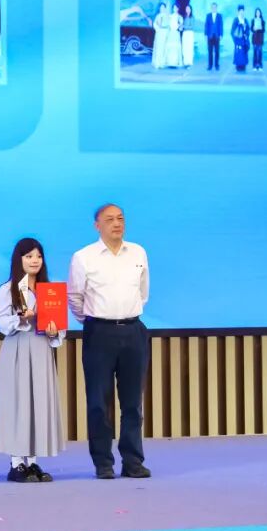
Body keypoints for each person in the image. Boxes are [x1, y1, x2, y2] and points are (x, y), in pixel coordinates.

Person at [67, 204, 151, 480]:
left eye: (120, 219)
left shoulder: (138, 252)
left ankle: (133, 461)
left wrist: (126, 314)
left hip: (133, 331)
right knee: (98, 402)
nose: (117, 224)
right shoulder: (84, 257)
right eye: (110, 219)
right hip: (99, 333)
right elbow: (75, 298)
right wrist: (95, 321)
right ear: (97, 225)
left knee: (132, 402)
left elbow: (143, 293)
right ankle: (103, 462)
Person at [0, 238, 64, 483]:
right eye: (29, 256)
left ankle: (32, 462)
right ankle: (16, 463)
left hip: (41, 348)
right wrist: (21, 318)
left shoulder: (48, 290)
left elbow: (58, 325)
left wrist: (54, 330)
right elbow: (2, 323)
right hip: (18, 348)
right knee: (18, 403)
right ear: (18, 259)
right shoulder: (7, 289)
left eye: (38, 256)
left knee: (38, 403)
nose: (34, 261)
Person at [204, 1, 223, 70]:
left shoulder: (219, 16)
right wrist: (205, 34)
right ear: (211, 8)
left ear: (216, 8)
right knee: (210, 51)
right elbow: (206, 26)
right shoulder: (208, 15)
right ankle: (210, 65)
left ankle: (217, 65)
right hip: (210, 36)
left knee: (217, 51)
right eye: (212, 7)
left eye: (215, 7)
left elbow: (221, 25)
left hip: (217, 36)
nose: (214, 8)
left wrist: (221, 34)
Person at [150, 2, 169, 68]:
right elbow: (155, 24)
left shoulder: (167, 16)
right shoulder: (158, 16)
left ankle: (162, 63)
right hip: (159, 33)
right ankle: (157, 63)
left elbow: (169, 25)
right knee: (158, 47)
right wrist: (158, 29)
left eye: (163, 7)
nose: (162, 9)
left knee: (164, 48)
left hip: (165, 33)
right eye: (161, 7)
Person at [231, 5, 248, 73]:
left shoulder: (245, 20)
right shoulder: (236, 20)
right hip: (238, 40)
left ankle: (243, 65)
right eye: (240, 11)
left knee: (244, 53)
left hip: (243, 40)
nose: (241, 12)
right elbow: (232, 31)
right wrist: (235, 39)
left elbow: (248, 29)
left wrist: (246, 33)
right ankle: (238, 66)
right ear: (238, 12)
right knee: (238, 53)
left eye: (242, 11)